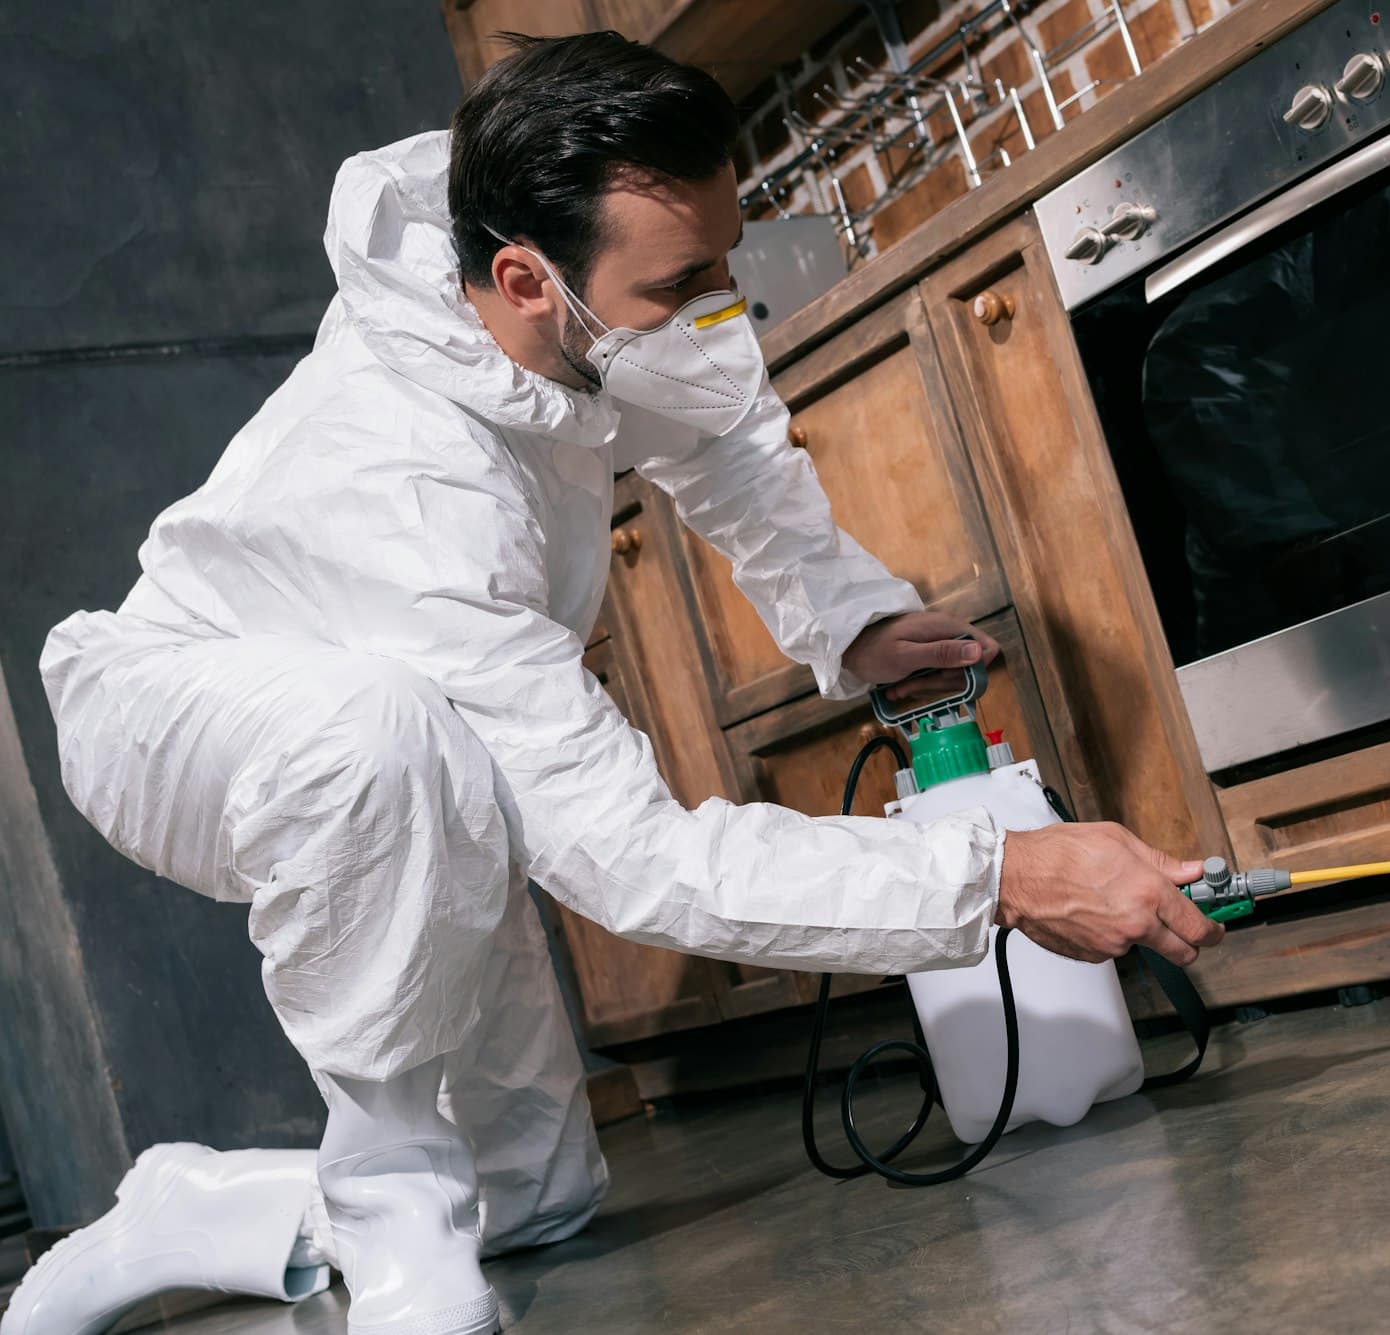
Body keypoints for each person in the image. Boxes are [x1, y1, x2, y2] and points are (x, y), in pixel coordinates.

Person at [6, 32, 1223, 1335]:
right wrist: (1003, 878)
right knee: (384, 738)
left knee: (530, 1196)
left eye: (725, 262)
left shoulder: (565, 273)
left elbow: (727, 438)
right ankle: (387, 1181)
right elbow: (644, 867)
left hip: (400, 728)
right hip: (172, 714)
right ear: (527, 283)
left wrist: (850, 616)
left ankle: (197, 1214)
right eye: (686, 284)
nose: (722, 308)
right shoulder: (415, 491)